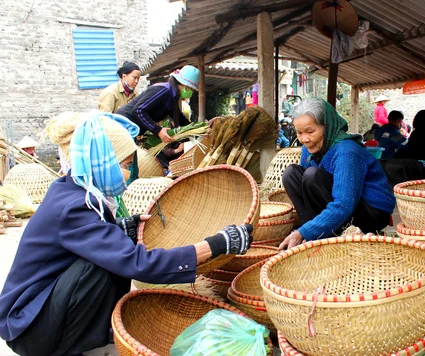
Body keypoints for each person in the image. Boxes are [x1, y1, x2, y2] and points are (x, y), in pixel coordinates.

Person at [0, 111, 253, 356]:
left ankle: (89, 333)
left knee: (111, 251)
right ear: (103, 162)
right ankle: (65, 343)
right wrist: (216, 245)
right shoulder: (74, 207)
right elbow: (137, 263)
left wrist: (120, 228)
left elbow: (78, 241)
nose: (129, 174)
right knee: (101, 265)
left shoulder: (70, 188)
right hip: (29, 328)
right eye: (125, 165)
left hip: (35, 313)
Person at [279, 98, 395, 250]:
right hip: (343, 203)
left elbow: (343, 204)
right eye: (299, 133)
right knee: (291, 174)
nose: (304, 139)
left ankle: (316, 234)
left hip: (370, 213)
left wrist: (303, 232)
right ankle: (314, 234)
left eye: (310, 131)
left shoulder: (346, 151)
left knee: (311, 175)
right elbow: (306, 191)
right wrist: (306, 229)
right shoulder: (309, 148)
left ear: (326, 127)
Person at [117, 65, 200, 144]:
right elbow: (138, 110)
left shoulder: (173, 97)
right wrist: (158, 130)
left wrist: (198, 129)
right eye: (191, 89)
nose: (191, 92)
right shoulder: (164, 90)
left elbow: (180, 119)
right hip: (122, 127)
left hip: (131, 131)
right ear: (184, 85)